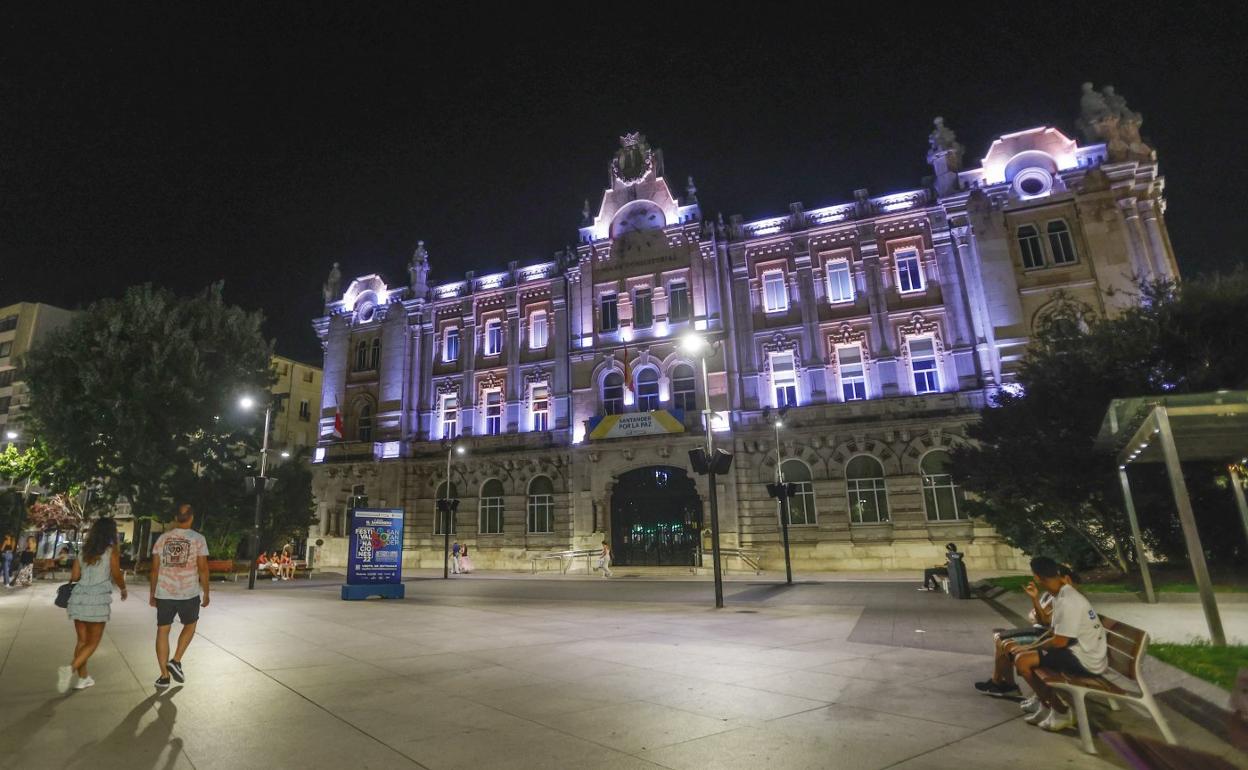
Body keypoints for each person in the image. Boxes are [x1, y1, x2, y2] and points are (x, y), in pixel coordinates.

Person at [1010, 556, 1108, 733]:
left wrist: (1030, 648)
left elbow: (1059, 641)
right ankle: (1046, 703)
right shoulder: (1061, 594)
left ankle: (1061, 711)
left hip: (1086, 660)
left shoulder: (1069, 600)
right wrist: (1031, 647)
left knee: (1023, 661)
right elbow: (1051, 629)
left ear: (1037, 577)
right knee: (1024, 657)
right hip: (1080, 652)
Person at [973, 565, 1069, 699]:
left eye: (1043, 580)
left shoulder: (1067, 599)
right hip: (1044, 633)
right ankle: (1009, 686)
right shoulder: (1053, 595)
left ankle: (1046, 700)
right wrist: (1035, 601)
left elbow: (1045, 622)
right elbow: (1037, 616)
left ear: (1065, 580)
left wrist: (1029, 646)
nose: (1040, 582)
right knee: (1002, 639)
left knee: (1009, 647)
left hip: (1045, 635)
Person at [58, 517, 128, 692]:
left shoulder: (84, 551)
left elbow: (74, 576)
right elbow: (117, 574)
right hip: (97, 600)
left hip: (79, 598)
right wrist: (123, 588)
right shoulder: (111, 551)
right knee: (93, 642)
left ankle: (83, 679)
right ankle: (70, 669)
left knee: (82, 641)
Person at [150, 504, 209, 689]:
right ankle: (176, 660)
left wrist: (153, 593)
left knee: (162, 631)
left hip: (165, 593)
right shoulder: (198, 539)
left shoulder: (162, 539)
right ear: (191, 517)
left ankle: (164, 677)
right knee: (190, 625)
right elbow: (203, 568)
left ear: (176, 517)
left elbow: (154, 569)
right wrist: (206, 591)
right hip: (188, 593)